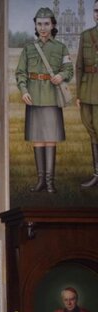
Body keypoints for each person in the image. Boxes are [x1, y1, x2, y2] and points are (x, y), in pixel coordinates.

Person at [16, 7, 73, 194]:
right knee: (37, 140)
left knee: (51, 140)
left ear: (53, 25)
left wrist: (61, 76)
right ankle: (41, 181)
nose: (42, 28)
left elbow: (69, 70)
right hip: (33, 97)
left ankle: (50, 182)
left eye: (46, 24)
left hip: (51, 97)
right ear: (35, 25)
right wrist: (23, 90)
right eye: (39, 24)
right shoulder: (28, 48)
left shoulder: (60, 47)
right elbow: (21, 72)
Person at [77, 1, 98, 189]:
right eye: (96, 11)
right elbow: (79, 66)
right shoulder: (86, 35)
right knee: (89, 127)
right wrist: (78, 94)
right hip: (87, 90)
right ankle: (97, 174)